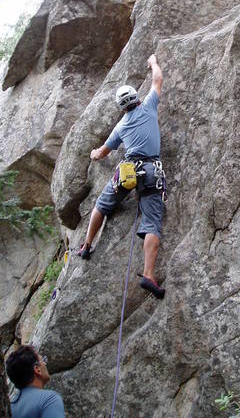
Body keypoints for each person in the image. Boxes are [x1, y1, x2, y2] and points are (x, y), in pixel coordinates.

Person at [77, 54, 166, 299]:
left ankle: (86, 246)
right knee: (152, 222)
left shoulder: (120, 127)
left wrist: (93, 154)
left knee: (102, 205)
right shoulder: (148, 106)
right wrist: (153, 62)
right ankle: (149, 274)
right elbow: (158, 79)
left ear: (121, 107)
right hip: (150, 170)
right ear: (136, 99)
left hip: (127, 171)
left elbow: (103, 153)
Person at [5, 345, 65, 418]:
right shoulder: (49, 400)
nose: (45, 364)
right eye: (43, 360)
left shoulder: (10, 407)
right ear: (37, 369)